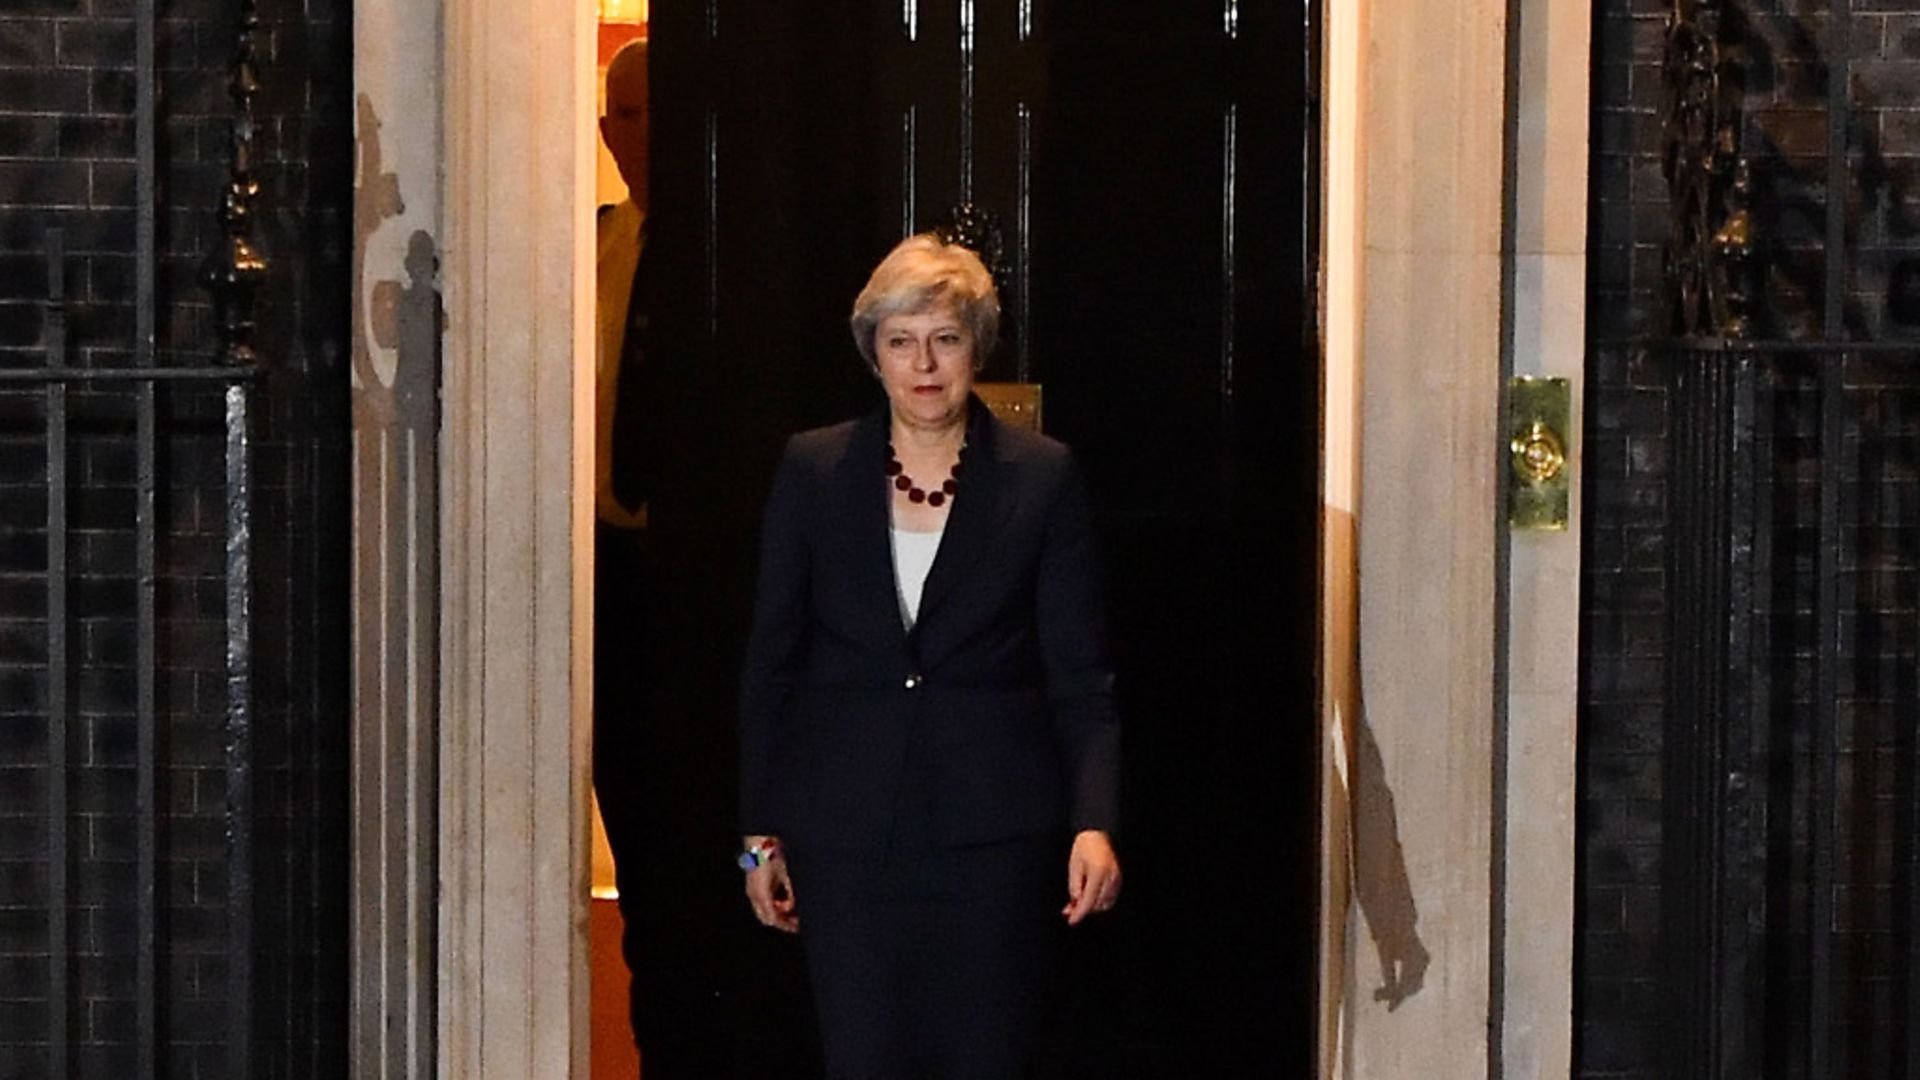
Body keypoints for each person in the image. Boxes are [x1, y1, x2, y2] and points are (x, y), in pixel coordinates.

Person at [737, 233, 1124, 1079]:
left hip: (994, 839)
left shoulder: (1042, 478)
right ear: (873, 352)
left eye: (945, 339)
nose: (924, 363)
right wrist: (755, 842)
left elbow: (1081, 674)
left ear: (974, 350)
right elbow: (772, 665)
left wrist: (1094, 820)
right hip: (844, 840)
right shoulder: (813, 469)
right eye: (901, 340)